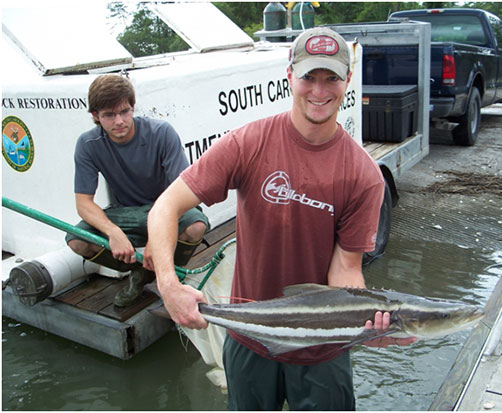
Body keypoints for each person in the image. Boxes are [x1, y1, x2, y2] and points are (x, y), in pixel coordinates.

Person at [147, 27, 415, 410]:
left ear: (348, 81)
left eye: (331, 78)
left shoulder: (363, 175)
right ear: (289, 75)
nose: (319, 91)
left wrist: (364, 323)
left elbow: (346, 269)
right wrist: (169, 284)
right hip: (249, 340)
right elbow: (165, 207)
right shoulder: (248, 143)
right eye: (309, 77)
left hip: (323, 351)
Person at [66, 74, 209, 308]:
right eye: (109, 115)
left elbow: (184, 191)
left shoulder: (161, 132)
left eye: (124, 111)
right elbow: (83, 203)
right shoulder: (87, 144)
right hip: (126, 213)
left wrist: (157, 236)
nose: (119, 121)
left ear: (133, 107)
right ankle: (141, 271)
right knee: (77, 241)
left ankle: (157, 274)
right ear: (95, 116)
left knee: (196, 226)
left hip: (166, 208)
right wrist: (113, 232)